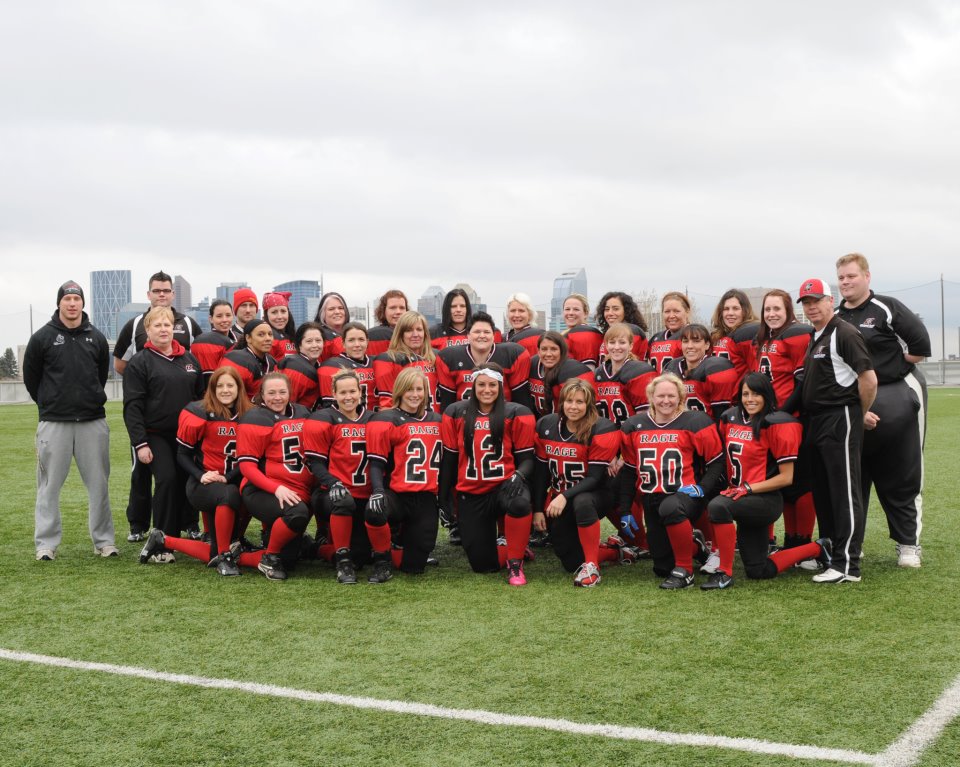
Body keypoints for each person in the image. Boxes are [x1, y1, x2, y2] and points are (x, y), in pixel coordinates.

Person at [835, 253, 931, 568]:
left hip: (896, 392)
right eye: (842, 277)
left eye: (851, 276)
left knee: (903, 474)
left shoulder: (886, 308)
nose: (846, 282)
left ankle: (908, 545)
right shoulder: (835, 315)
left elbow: (920, 345)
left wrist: (889, 367)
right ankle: (851, 543)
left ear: (867, 277)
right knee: (852, 477)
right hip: (852, 401)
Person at [704, 373, 831, 590]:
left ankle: (723, 572)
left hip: (764, 500)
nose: (750, 399)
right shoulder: (729, 418)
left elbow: (786, 477)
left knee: (717, 506)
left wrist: (747, 488)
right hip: (740, 497)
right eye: (745, 394)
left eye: (756, 394)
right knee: (758, 570)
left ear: (767, 396)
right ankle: (818, 549)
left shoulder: (778, 423)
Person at [24, 280, 116, 561]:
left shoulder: (96, 338)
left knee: (99, 484)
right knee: (49, 485)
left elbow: (100, 375)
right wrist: (50, 403)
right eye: (67, 299)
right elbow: (32, 377)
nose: (72, 303)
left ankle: (104, 541)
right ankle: (46, 543)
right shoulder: (43, 338)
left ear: (83, 303)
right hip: (55, 421)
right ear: (59, 303)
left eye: (77, 299)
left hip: (92, 421)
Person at [797, 277, 877, 584]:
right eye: (806, 302)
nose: (812, 307)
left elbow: (868, 379)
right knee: (826, 491)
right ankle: (832, 554)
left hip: (839, 416)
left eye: (816, 300)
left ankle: (848, 565)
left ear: (831, 301)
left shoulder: (843, 332)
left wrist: (860, 412)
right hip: (818, 420)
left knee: (844, 491)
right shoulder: (816, 334)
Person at [138, 366, 254, 575]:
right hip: (204, 484)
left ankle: (163, 539)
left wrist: (228, 477)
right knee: (229, 494)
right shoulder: (199, 412)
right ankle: (226, 554)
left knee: (215, 551)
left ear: (239, 388)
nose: (225, 390)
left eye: (230, 385)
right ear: (212, 388)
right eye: (220, 386)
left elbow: (252, 458)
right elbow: (182, 454)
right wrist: (202, 474)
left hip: (232, 479)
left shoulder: (251, 415)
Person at [113, 270, 201, 542]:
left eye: (166, 290)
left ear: (172, 294)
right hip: (152, 430)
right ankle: (143, 527)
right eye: (156, 290)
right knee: (150, 475)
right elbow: (120, 366)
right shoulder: (135, 330)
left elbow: (197, 388)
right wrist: (146, 379)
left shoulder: (188, 330)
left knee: (181, 477)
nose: (163, 329)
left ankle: (183, 526)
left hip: (183, 432)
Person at [619, 374, 724, 589]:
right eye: (660, 396)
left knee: (671, 507)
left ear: (680, 398)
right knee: (661, 566)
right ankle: (695, 546)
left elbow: (717, 461)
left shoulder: (695, 421)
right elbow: (629, 470)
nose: (665, 400)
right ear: (650, 397)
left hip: (684, 496)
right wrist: (624, 509)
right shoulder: (634, 425)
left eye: (671, 396)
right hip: (651, 498)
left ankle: (685, 572)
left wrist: (702, 488)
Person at [439, 364, 536, 586]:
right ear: (473, 386)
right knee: (483, 566)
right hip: (472, 491)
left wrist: (519, 475)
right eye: (481, 384)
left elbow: (528, 459)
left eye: (492, 385)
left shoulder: (516, 412)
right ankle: (515, 547)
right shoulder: (455, 412)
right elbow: (450, 459)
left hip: (504, 485)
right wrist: (443, 496)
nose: (487, 390)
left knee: (520, 504)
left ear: (500, 386)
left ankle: (515, 562)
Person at [532, 379, 625, 587]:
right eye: (569, 401)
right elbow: (540, 473)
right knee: (570, 560)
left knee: (582, 501)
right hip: (561, 496)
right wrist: (538, 509)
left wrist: (563, 496)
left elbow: (595, 478)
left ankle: (592, 567)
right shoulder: (547, 425)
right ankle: (612, 552)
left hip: (596, 494)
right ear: (562, 402)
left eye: (580, 402)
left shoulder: (601, 428)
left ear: (589, 404)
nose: (573, 406)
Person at [366, 368, 444, 582]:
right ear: (399, 391)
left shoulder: (438, 420)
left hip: (425, 497)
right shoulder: (386, 419)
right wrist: (378, 492)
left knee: (414, 567)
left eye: (419, 389)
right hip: (396, 494)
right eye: (409, 389)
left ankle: (398, 548)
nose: (415, 394)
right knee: (374, 510)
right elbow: (376, 463)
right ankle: (382, 561)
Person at [236, 372, 315, 581]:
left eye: (282, 392)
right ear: (262, 394)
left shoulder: (303, 413)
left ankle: (242, 556)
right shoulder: (255, 418)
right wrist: (276, 488)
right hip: (263, 489)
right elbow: (246, 466)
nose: (277, 397)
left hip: (296, 486)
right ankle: (268, 558)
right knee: (297, 513)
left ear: (290, 392)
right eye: (271, 393)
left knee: (289, 560)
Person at [754, 289, 816, 555]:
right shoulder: (765, 339)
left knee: (800, 483)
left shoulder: (796, 334)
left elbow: (802, 382)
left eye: (777, 309)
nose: (772, 314)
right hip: (771, 420)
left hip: (792, 419)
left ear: (788, 310)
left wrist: (785, 414)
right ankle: (791, 541)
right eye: (767, 309)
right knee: (783, 484)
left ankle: (803, 542)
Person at [304, 369, 374, 584]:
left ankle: (319, 549)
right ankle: (342, 562)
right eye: (342, 392)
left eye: (352, 391)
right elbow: (315, 462)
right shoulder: (323, 418)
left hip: (363, 493)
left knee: (361, 556)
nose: (348, 397)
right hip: (332, 493)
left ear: (360, 393)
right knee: (342, 499)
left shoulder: (373, 419)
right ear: (333, 394)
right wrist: (333, 482)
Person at [436, 311, 531, 412]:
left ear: (494, 335)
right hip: (465, 420)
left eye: (486, 332)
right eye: (477, 332)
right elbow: (448, 407)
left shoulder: (512, 355)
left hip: (502, 420)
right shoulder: (450, 358)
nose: (482, 336)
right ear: (468, 335)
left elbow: (522, 405)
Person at [664, 323, 738, 420]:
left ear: (707, 344)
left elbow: (721, 415)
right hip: (680, 430)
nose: (690, 346)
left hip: (708, 429)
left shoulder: (716, 368)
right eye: (685, 341)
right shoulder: (671, 368)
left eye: (696, 341)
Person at [373, 310, 438, 411]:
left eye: (419, 329)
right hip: (405, 422)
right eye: (409, 330)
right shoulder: (391, 359)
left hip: (435, 421)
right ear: (400, 334)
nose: (415, 334)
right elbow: (388, 405)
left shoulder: (437, 357)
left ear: (425, 333)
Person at [528, 331, 593, 419]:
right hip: (541, 423)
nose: (548, 354)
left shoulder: (572, 371)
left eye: (554, 349)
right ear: (538, 351)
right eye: (544, 349)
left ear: (562, 351)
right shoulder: (531, 365)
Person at [318, 321, 377, 413]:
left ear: (367, 342)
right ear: (343, 343)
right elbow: (330, 408)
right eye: (351, 340)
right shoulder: (332, 366)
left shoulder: (378, 362)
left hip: (376, 420)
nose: (357, 344)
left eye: (361, 339)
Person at [222, 318, 279, 401]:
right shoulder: (238, 360)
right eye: (261, 334)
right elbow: (227, 397)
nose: (268, 338)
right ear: (248, 338)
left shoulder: (271, 361)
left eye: (270, 334)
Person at [710, 289, 760, 379]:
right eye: (726, 309)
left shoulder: (747, 335)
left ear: (745, 311)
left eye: (735, 308)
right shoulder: (716, 337)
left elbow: (755, 372)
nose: (730, 313)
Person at [278, 321, 324, 409]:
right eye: (309, 341)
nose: (315, 345)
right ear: (299, 345)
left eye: (318, 340)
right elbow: (286, 405)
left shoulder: (318, 365)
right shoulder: (295, 368)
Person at [595, 291, 648, 361]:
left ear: (626, 311)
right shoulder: (609, 333)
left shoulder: (632, 332)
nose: (610, 313)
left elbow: (622, 366)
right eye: (607, 309)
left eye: (616, 309)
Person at [191, 299, 237, 380]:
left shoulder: (239, 338)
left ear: (233, 316)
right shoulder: (203, 342)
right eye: (219, 316)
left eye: (228, 315)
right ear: (211, 319)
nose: (224, 320)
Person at [646, 291, 690, 373]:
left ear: (687, 312)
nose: (671, 316)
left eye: (676, 311)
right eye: (667, 311)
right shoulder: (655, 338)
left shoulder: (694, 336)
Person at [561, 293, 603, 368]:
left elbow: (588, 370)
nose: (570, 313)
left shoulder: (585, 334)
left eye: (576, 309)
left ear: (586, 313)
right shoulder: (568, 333)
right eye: (567, 309)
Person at [368, 289, 410, 357]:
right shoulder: (372, 336)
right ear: (383, 310)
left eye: (402, 308)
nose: (398, 312)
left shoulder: (415, 336)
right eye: (393, 308)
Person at [313, 291, 351, 361]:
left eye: (340, 308)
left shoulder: (353, 333)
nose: (337, 312)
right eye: (331, 309)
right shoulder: (319, 337)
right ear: (323, 314)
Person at [505, 292, 544, 356]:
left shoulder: (538, 337)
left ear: (529, 314)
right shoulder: (502, 339)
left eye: (521, 311)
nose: (516, 315)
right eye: (513, 311)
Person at [262, 291, 297, 361]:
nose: (280, 316)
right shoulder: (266, 339)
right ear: (266, 315)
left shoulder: (294, 336)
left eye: (283, 311)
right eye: (274, 312)